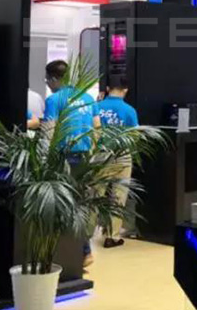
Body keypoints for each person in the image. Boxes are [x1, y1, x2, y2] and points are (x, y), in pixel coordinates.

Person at [42, 60, 100, 268]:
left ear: (54, 79)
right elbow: (97, 128)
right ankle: (83, 252)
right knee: (78, 205)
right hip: (84, 158)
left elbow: (49, 132)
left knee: (63, 206)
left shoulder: (55, 99)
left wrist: (45, 160)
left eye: (48, 80)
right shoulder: (87, 98)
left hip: (63, 158)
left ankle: (75, 253)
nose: (48, 84)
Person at [95, 75, 139, 249]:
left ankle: (84, 237)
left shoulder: (97, 107)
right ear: (126, 90)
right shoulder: (129, 110)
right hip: (121, 155)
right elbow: (135, 136)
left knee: (94, 196)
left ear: (107, 89)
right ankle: (112, 236)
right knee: (118, 196)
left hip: (99, 155)